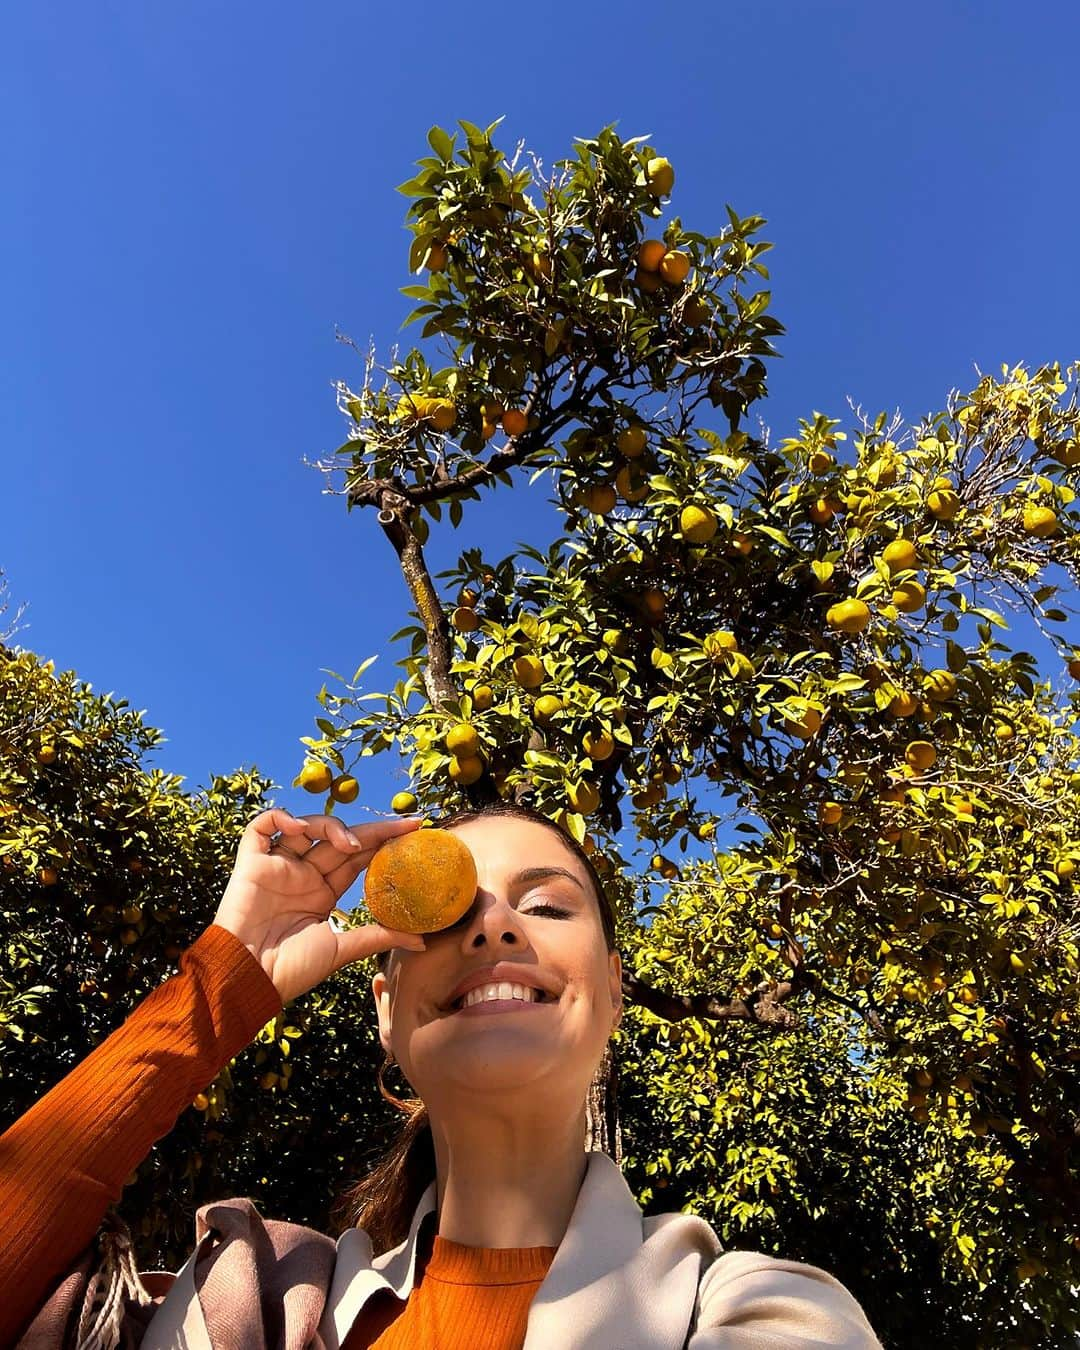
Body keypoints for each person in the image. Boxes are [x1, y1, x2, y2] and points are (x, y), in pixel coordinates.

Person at [1, 799, 884, 1348]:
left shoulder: (753, 1315)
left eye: (545, 904)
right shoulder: (260, 1301)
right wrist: (231, 982)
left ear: (613, 994)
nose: (494, 929)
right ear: (387, 1011)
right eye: (453, 908)